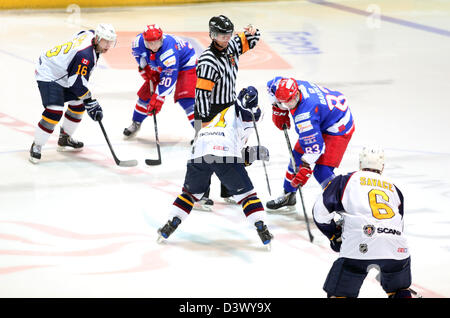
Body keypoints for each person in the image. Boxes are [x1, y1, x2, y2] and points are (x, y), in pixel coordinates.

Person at [157, 86, 273, 247]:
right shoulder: (251, 118)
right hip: (223, 150)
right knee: (246, 196)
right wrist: (253, 154)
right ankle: (262, 227)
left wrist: (249, 154)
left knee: (191, 194)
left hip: (199, 147)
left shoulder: (226, 112)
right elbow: (233, 159)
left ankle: (170, 224)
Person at [312, 146, 412, 298]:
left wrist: (334, 235)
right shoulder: (394, 189)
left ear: (360, 164)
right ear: (382, 167)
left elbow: (320, 212)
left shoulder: (346, 180)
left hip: (358, 244)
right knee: (399, 291)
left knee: (340, 294)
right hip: (396, 247)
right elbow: (399, 224)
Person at [193, 15, 261, 209]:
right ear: (213, 35)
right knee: (205, 153)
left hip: (228, 107)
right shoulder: (207, 60)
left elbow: (252, 40)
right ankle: (200, 194)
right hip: (207, 110)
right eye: (221, 35)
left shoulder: (232, 46)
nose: (226, 38)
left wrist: (252, 31)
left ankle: (227, 189)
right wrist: (204, 124)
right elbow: (201, 94)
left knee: (231, 149)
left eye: (228, 34)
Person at [265, 77, 355, 212]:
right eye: (284, 103)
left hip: (338, 127)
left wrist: (306, 167)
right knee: (296, 157)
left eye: (289, 102)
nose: (288, 106)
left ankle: (342, 207)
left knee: (322, 171)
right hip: (323, 116)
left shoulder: (305, 116)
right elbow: (270, 85)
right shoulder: (291, 86)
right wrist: (277, 108)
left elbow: (316, 149)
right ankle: (289, 195)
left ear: (296, 94)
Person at [30, 24, 117, 163]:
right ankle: (37, 145)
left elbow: (77, 36)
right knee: (54, 111)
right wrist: (90, 101)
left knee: (78, 105)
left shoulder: (90, 34)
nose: (107, 45)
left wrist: (86, 101)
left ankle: (65, 138)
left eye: (110, 42)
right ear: (98, 38)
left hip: (62, 72)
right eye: (105, 41)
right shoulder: (86, 56)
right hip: (49, 73)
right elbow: (76, 85)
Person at [123, 24, 197, 138]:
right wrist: (145, 68)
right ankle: (136, 123)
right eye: (150, 43)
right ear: (145, 41)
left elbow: (168, 81)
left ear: (161, 39)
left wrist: (158, 98)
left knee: (186, 99)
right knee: (146, 94)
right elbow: (138, 55)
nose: (154, 46)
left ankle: (201, 131)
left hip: (185, 63)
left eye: (156, 42)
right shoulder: (138, 43)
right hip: (160, 64)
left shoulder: (169, 53)